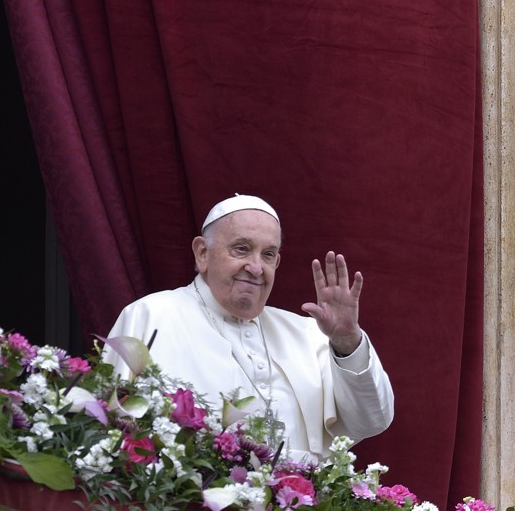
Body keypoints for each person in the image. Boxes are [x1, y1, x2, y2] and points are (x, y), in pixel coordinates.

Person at [104, 194, 394, 464]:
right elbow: (111, 431)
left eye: (268, 255)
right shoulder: (150, 315)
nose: (255, 267)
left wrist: (347, 341)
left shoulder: (309, 334)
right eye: (242, 249)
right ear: (202, 253)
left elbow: (372, 420)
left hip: (298, 510)